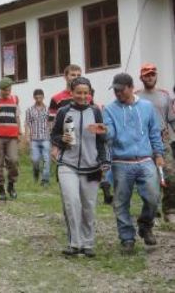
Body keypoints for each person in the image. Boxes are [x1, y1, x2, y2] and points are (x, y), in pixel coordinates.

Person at [89, 73, 164, 254]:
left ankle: (145, 225)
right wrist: (104, 131)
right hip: (121, 161)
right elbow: (111, 136)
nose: (117, 93)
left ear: (131, 88)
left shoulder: (147, 107)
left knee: (153, 197)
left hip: (146, 160)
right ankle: (127, 238)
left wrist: (158, 153)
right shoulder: (109, 110)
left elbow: (154, 132)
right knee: (121, 202)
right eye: (114, 90)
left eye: (120, 90)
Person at [51, 77, 109, 257]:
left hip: (92, 166)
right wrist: (62, 140)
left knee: (89, 205)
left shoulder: (96, 111)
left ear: (90, 93)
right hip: (67, 164)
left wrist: (104, 160)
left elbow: (102, 139)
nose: (83, 96)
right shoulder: (63, 112)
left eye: (86, 93)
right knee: (72, 202)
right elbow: (54, 135)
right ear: (71, 93)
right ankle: (74, 243)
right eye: (79, 93)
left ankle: (88, 243)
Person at [135, 63, 175, 222]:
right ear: (141, 77)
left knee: (171, 176)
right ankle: (152, 212)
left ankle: (170, 210)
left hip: (162, 140)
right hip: (143, 142)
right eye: (147, 75)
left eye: (152, 74)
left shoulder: (165, 95)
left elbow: (171, 119)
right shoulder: (136, 96)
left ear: (156, 76)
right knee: (149, 179)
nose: (150, 77)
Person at [25, 89, 51, 186]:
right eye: (37, 97)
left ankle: (45, 180)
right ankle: (36, 171)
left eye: (40, 97)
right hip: (34, 139)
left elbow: (52, 122)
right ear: (34, 98)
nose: (38, 99)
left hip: (46, 138)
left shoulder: (48, 109)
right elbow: (27, 123)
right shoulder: (29, 110)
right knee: (35, 160)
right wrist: (27, 136)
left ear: (43, 97)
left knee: (46, 159)